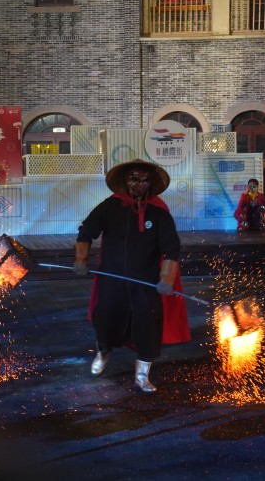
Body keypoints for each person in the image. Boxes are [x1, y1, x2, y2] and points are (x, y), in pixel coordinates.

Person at [73, 159, 189, 393]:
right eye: (134, 179)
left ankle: (142, 375)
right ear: (126, 181)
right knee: (105, 319)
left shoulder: (158, 212)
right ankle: (103, 352)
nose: (139, 184)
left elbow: (171, 247)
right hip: (111, 278)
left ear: (151, 184)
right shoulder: (110, 206)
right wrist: (81, 259)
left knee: (148, 326)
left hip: (145, 283)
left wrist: (166, 277)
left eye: (145, 180)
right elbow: (86, 231)